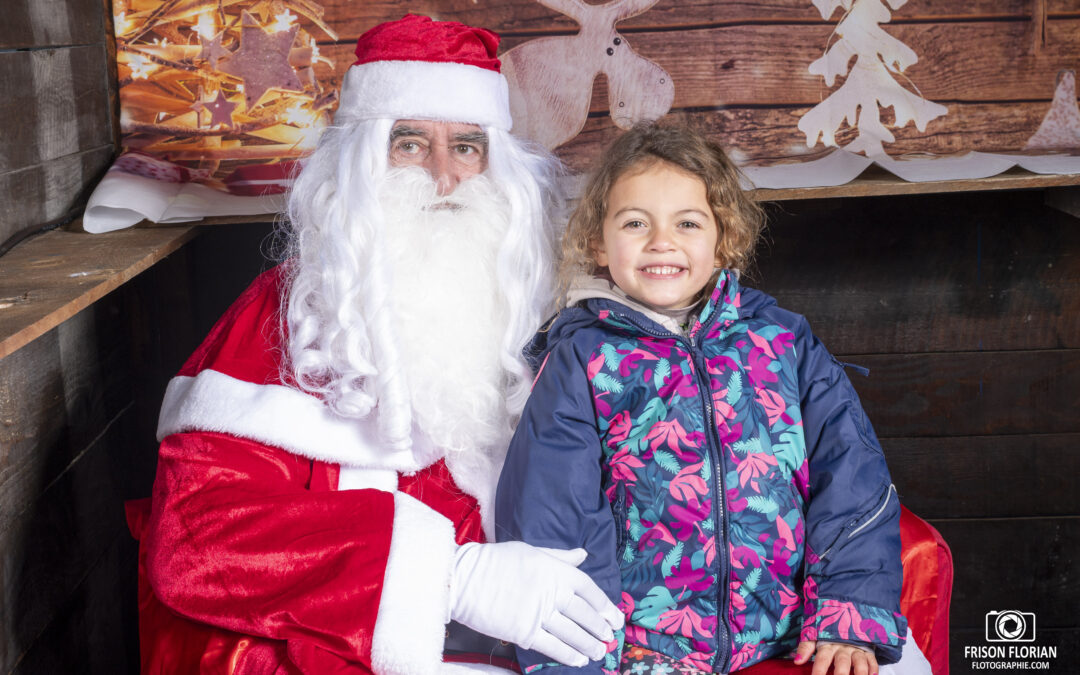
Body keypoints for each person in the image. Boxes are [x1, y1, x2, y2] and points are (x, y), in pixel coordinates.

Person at [129, 14, 623, 675]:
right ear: (360, 164)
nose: (445, 176)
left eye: (467, 148)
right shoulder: (287, 318)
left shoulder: (526, 313)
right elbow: (195, 540)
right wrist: (455, 576)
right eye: (411, 144)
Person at [495, 124, 931, 675]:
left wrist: (848, 619)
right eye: (635, 223)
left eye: (687, 223)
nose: (661, 242)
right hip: (645, 652)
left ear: (722, 237)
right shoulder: (583, 358)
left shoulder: (782, 340)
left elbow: (851, 477)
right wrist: (581, 659)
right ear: (599, 241)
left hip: (787, 635)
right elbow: (553, 513)